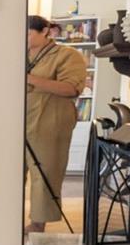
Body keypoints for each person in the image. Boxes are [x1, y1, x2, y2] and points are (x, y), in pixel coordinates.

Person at [25, 14, 89, 232]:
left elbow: (72, 89)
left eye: (28, 32)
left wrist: (30, 79)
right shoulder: (16, 53)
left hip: (50, 118)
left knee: (44, 171)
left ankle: (37, 224)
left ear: (45, 31)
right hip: (20, 118)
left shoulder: (67, 55)